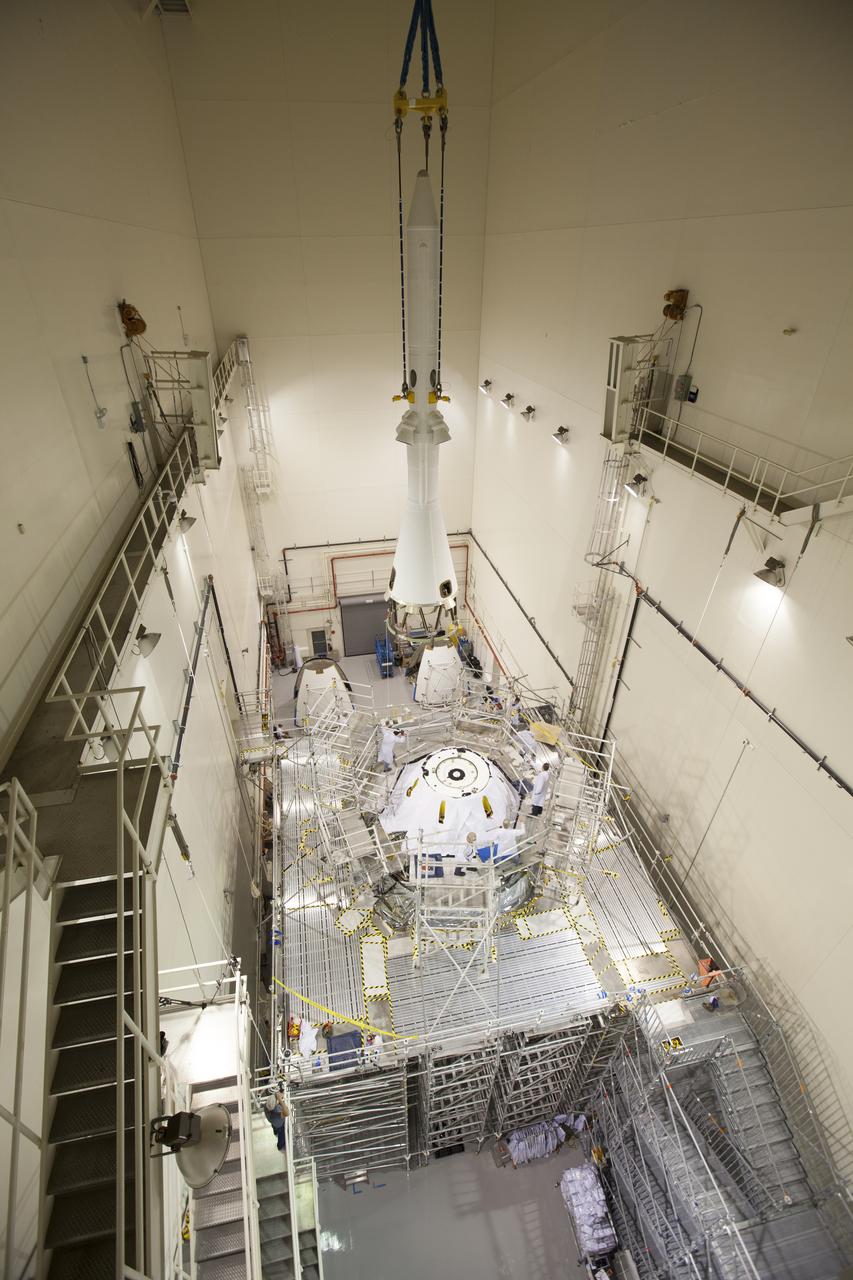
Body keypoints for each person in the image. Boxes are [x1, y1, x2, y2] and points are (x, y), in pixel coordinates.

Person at [264, 1084, 289, 1151]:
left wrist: (278, 1097)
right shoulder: (277, 1111)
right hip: (279, 1124)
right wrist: (280, 1100)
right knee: (281, 1135)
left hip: (272, 1122)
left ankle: (275, 1132)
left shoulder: (266, 1105)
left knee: (274, 1127)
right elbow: (287, 1113)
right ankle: (280, 1146)